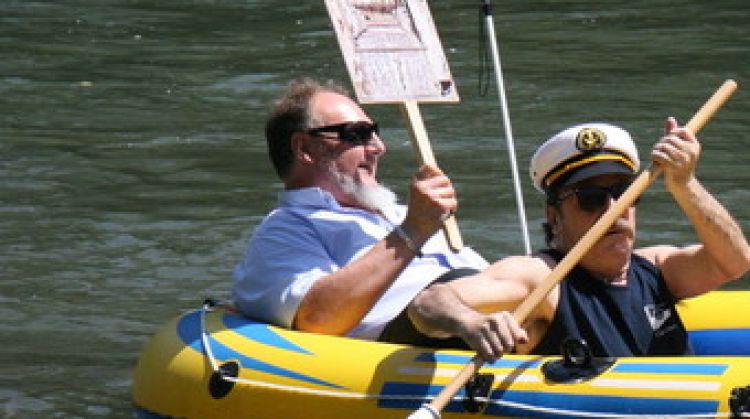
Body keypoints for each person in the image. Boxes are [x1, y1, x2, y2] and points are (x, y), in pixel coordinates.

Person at [232, 77, 529, 359]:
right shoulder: (286, 229)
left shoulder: (400, 215)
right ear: (305, 148)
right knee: (530, 274)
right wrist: (412, 232)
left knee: (540, 269)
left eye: (375, 131)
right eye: (357, 135)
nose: (378, 147)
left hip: (493, 323)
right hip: (410, 345)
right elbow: (316, 319)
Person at [409, 120, 750, 357]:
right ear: (554, 216)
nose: (614, 209)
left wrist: (685, 184)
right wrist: (471, 322)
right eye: (591, 198)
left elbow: (735, 262)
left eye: (624, 193)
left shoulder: (655, 267)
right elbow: (429, 303)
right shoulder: (542, 280)